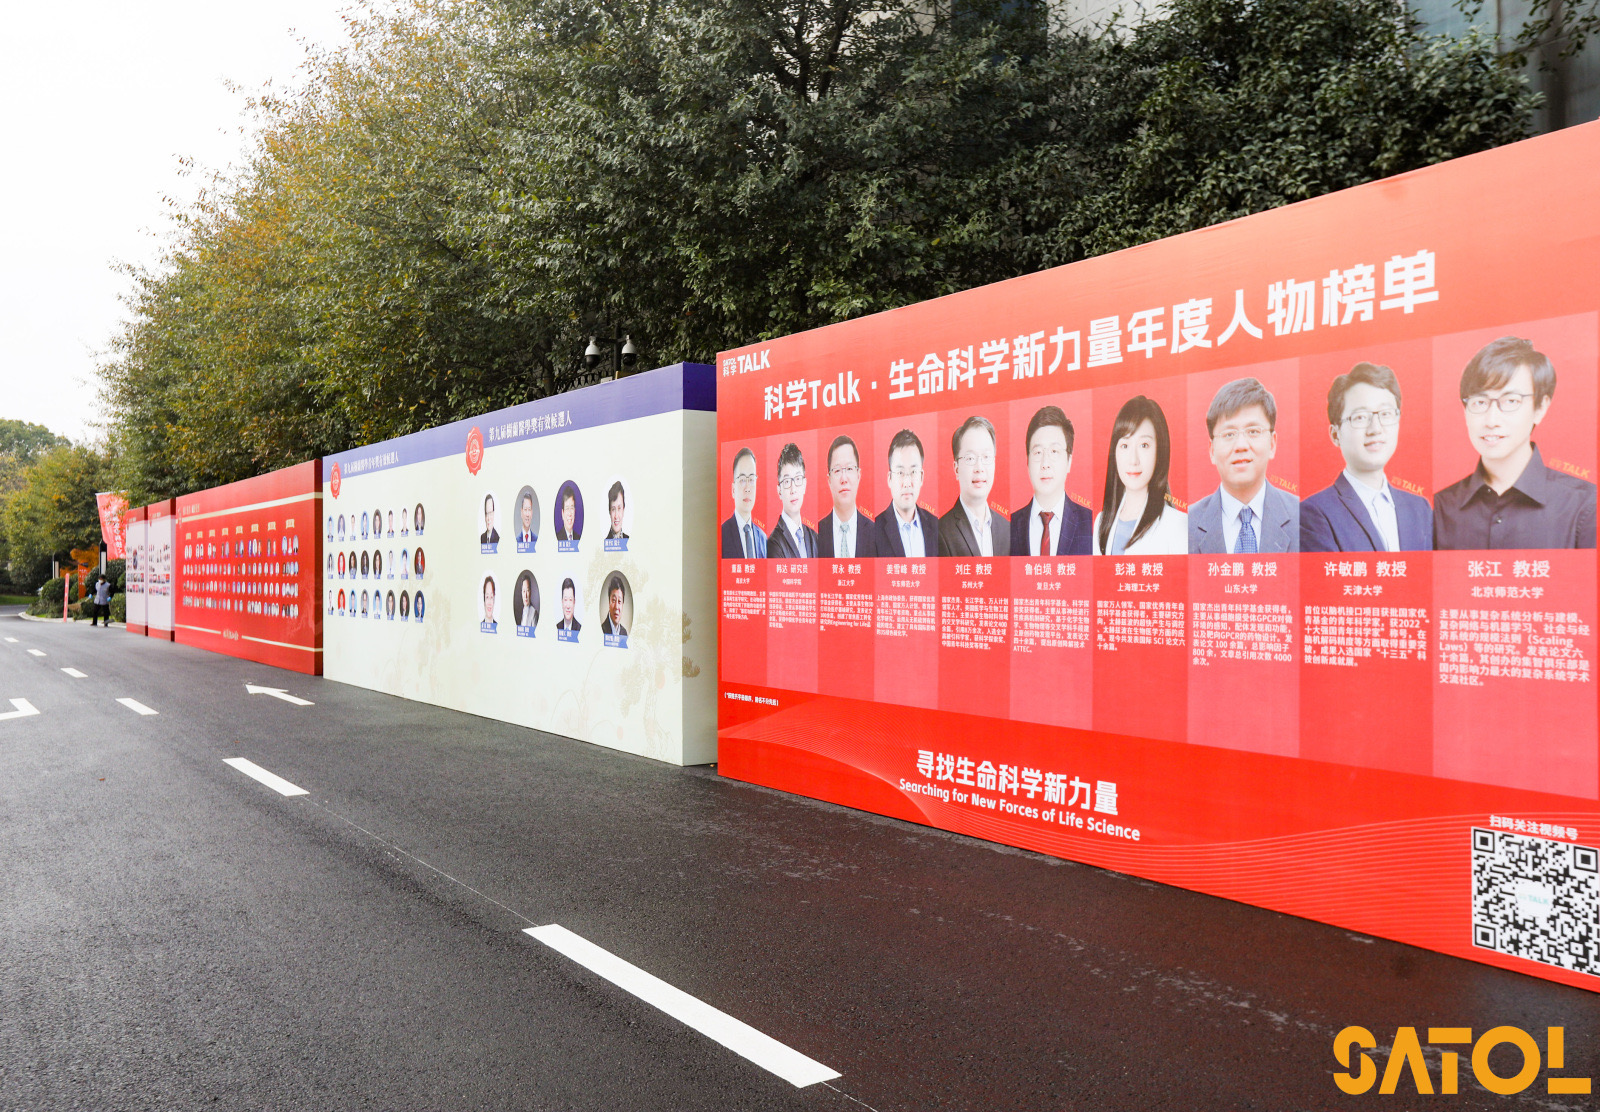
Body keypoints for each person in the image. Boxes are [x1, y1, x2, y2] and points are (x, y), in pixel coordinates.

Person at [1434, 336, 1596, 549]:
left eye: (1511, 401)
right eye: (1480, 402)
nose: (1491, 420)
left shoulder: (1584, 505)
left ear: (1540, 408)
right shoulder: (1441, 507)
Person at [1301, 363, 1433, 552]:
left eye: (1386, 414)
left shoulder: (1420, 509)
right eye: (1360, 417)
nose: (1375, 429)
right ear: (1335, 434)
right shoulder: (1314, 514)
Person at [1188, 378, 1300, 553]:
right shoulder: (1185, 525)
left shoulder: (1303, 518)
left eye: (1253, 431)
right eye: (1229, 434)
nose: (1241, 445)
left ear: (1272, 444)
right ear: (1212, 450)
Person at [1094, 396, 1188, 555]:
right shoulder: (1101, 522)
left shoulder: (1177, 524)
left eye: (1144, 445)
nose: (1133, 460)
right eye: (1125, 445)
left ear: (1160, 452)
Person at [1010, 406, 1092, 556]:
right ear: (1027, 461)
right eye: (1038, 452)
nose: (1045, 463)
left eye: (1054, 451)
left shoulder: (1090, 523)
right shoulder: (1009, 526)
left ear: (1069, 461)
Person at [940, 415, 1009, 557]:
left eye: (986, 457)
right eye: (970, 458)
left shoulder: (1007, 530)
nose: (979, 468)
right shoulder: (940, 532)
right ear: (956, 469)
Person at [875, 429, 940, 557]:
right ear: (890, 479)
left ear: (921, 477)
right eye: (900, 472)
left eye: (913, 472)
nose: (907, 483)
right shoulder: (874, 530)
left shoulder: (937, 526)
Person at [817, 435, 877, 559]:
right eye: (837, 470)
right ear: (829, 479)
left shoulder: (876, 533)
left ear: (858, 475)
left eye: (849, 469)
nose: (844, 479)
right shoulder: (816, 534)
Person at [767, 443, 818, 558]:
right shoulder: (773, 544)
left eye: (798, 479)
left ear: (804, 485)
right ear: (779, 491)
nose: (793, 489)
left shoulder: (815, 538)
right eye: (786, 481)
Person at [721, 448, 767, 558]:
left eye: (751, 479)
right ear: (733, 490)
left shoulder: (763, 539)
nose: (747, 488)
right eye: (742, 480)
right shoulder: (721, 535)